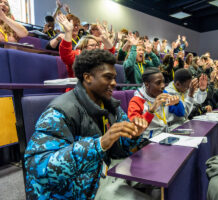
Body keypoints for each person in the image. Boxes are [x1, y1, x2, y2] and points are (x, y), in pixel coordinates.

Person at [24, 49, 149, 199]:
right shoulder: (60, 111)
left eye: (115, 78)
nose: (114, 83)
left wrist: (134, 134)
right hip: (81, 189)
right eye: (108, 77)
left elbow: (121, 147)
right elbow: (38, 167)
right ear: (88, 77)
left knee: (160, 178)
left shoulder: (111, 106)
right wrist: (99, 144)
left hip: (108, 169)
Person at [128, 67, 185, 138]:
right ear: (147, 85)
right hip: (147, 141)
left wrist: (177, 103)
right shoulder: (136, 101)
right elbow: (134, 129)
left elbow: (181, 113)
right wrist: (151, 111)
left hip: (165, 135)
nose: (163, 86)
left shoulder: (163, 93)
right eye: (158, 83)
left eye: (163, 82)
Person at [57, 13, 115, 79]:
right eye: (92, 45)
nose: (96, 47)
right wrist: (68, 32)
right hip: (77, 87)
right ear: (83, 47)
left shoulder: (98, 57)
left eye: (97, 45)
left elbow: (110, 53)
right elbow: (66, 54)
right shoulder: (77, 55)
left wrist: (106, 39)